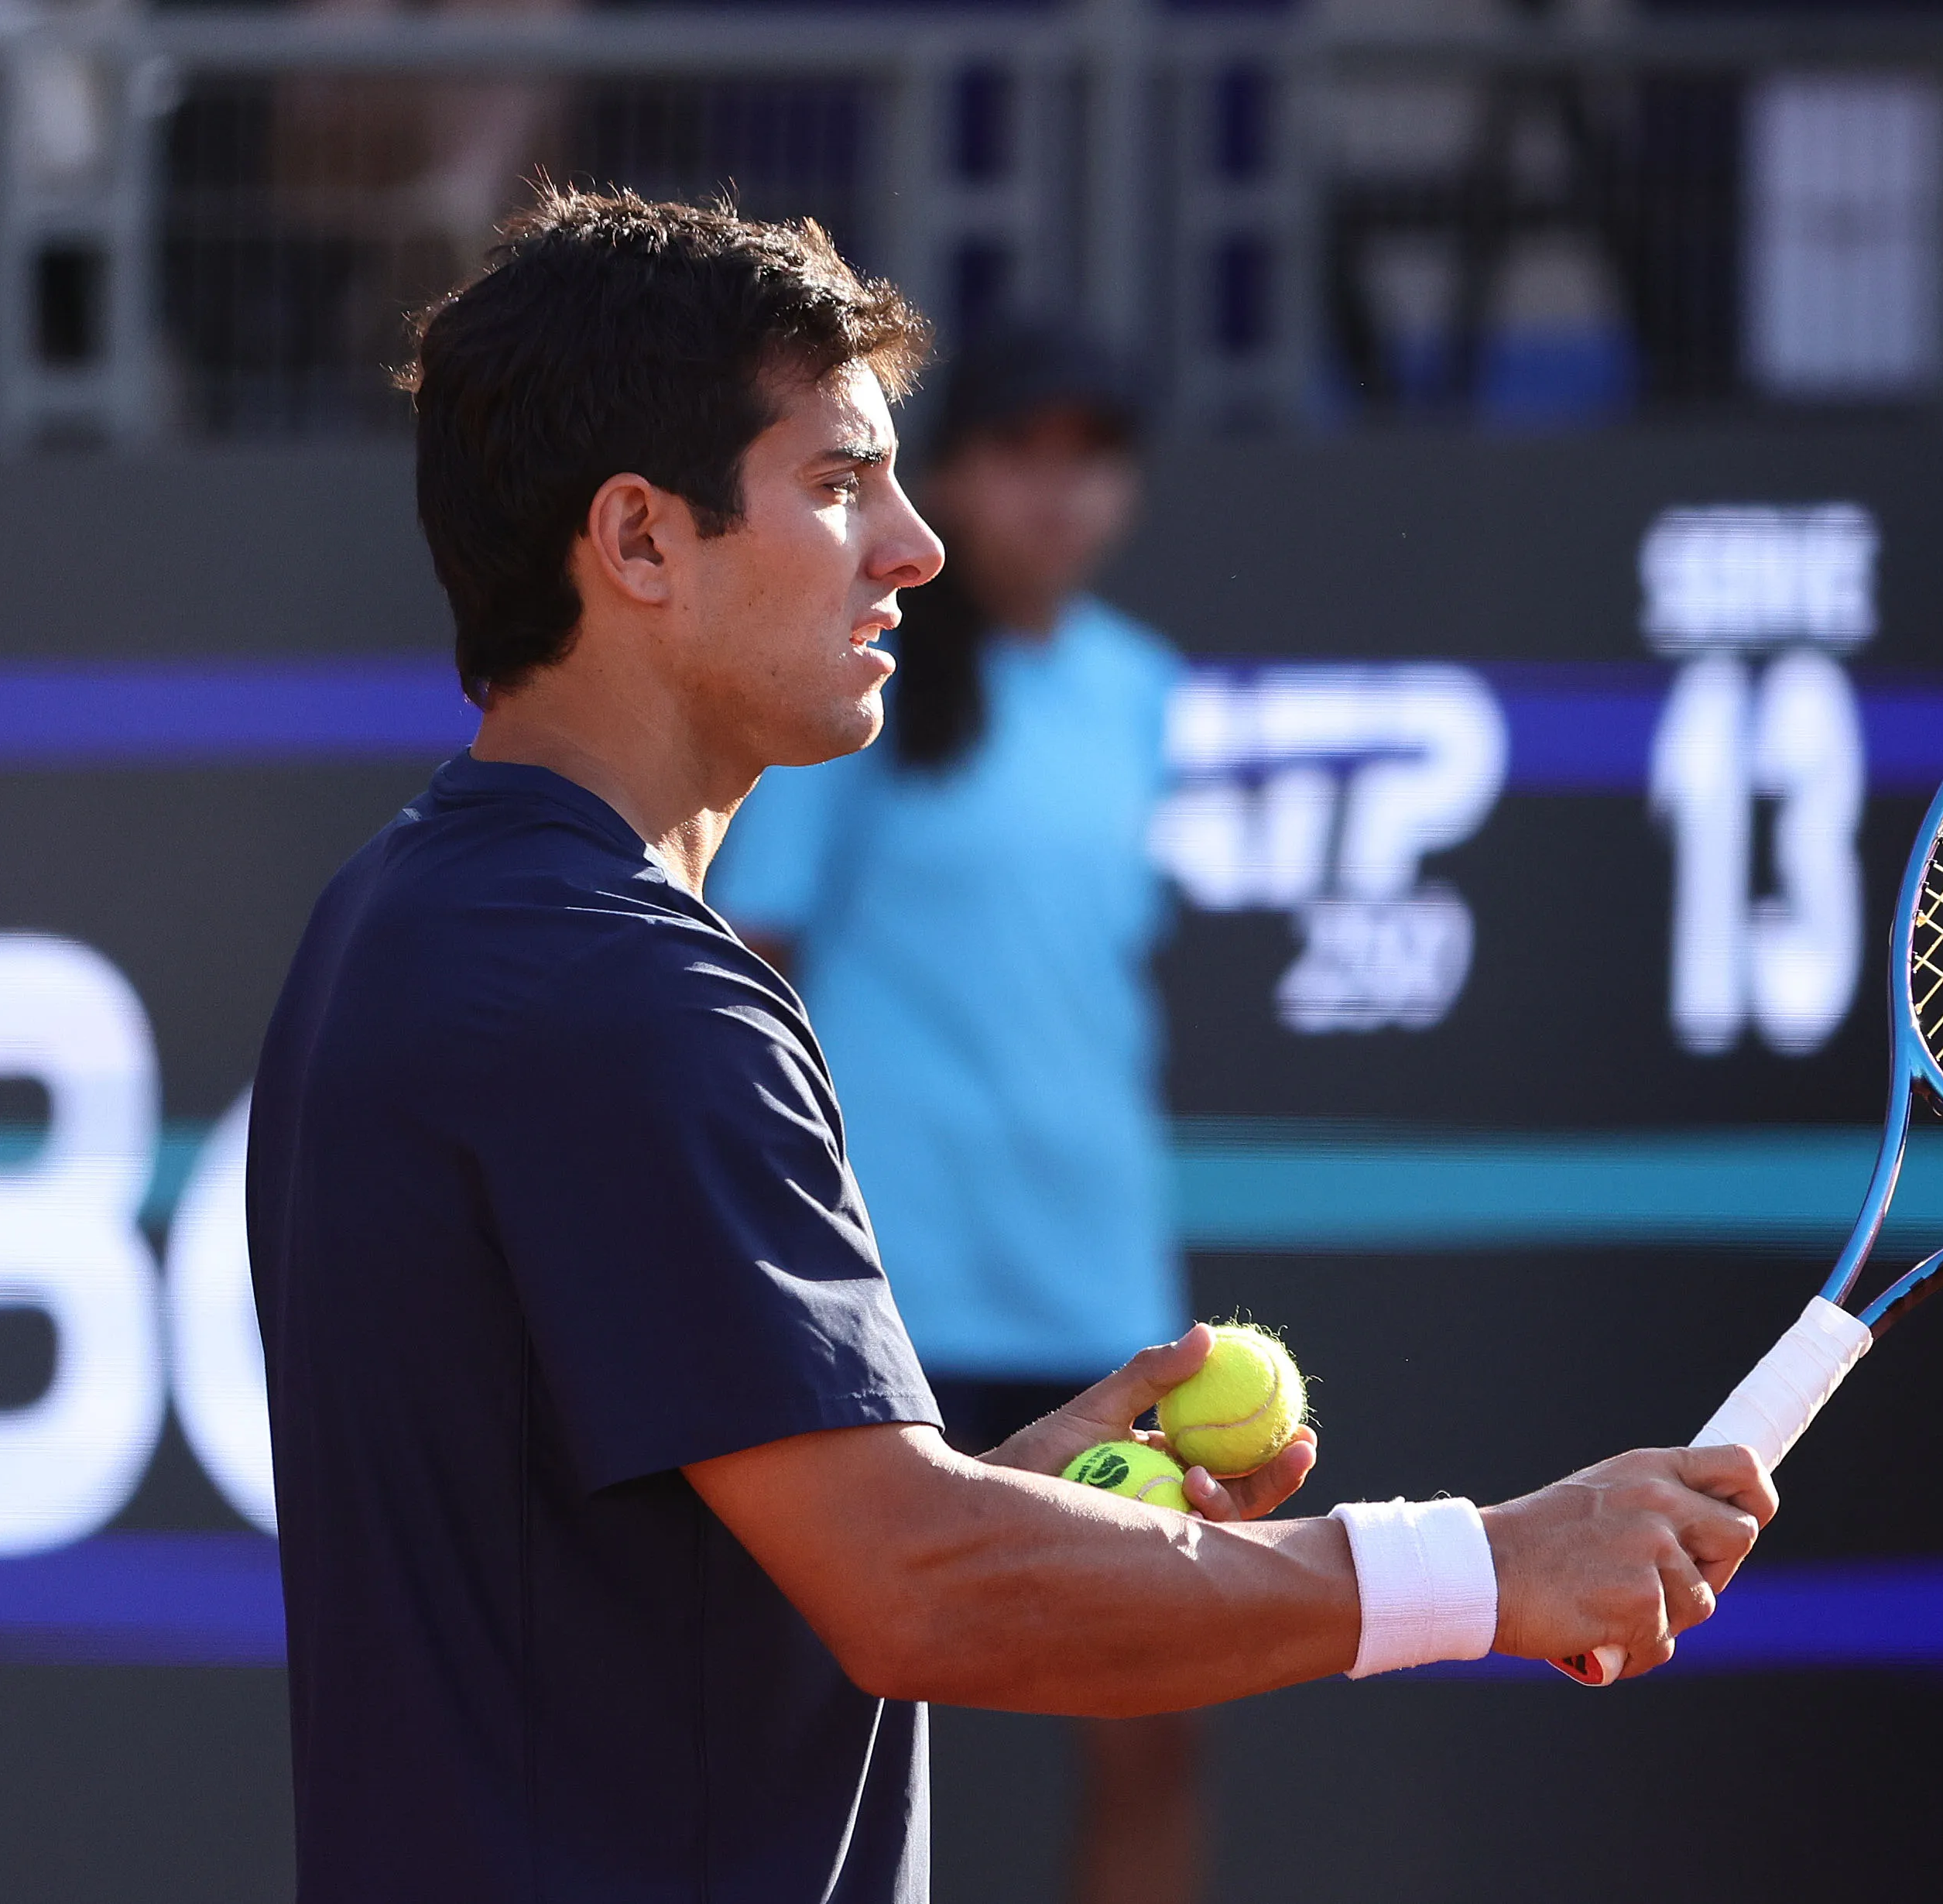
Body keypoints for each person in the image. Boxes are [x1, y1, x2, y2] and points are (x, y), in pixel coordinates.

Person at [246, 187, 1775, 1904]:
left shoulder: (393, 919)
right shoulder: (636, 994)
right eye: (836, 485)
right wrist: (1483, 1565)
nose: (916, 543)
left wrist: (999, 1491)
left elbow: (674, 1579)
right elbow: (917, 1592)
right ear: (641, 539)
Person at [709, 321, 1194, 1904]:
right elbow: (751, 961)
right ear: (954, 477)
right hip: (891, 1291)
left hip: (1094, 1286)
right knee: (821, 1725)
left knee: (1153, 1720)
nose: (1057, 496)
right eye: (1018, 453)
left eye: (1091, 457)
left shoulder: (1137, 694)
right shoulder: (862, 683)